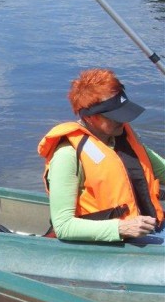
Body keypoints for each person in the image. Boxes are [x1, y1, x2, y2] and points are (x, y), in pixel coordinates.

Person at [37, 68, 164, 243]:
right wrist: (122, 227)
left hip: (152, 230)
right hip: (110, 241)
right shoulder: (67, 155)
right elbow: (63, 226)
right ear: (90, 117)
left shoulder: (121, 137)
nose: (122, 120)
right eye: (114, 116)